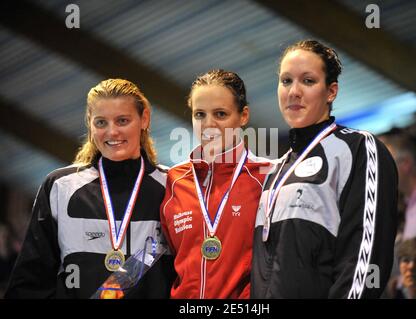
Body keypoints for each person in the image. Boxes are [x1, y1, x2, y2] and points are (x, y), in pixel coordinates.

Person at [251, 40, 398, 299]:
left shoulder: (358, 147)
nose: (293, 92)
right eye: (286, 81)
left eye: (308, 81)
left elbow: (365, 257)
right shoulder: (275, 171)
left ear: (331, 92)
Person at [5, 79, 174, 298]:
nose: (112, 132)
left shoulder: (173, 186)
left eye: (122, 120)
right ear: (89, 123)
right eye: (101, 122)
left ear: (144, 119)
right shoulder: (60, 186)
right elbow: (30, 281)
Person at [160, 69, 271, 298]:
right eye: (200, 115)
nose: (209, 125)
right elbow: (159, 256)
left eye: (220, 114)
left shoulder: (266, 177)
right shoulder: (174, 180)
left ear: (243, 116)